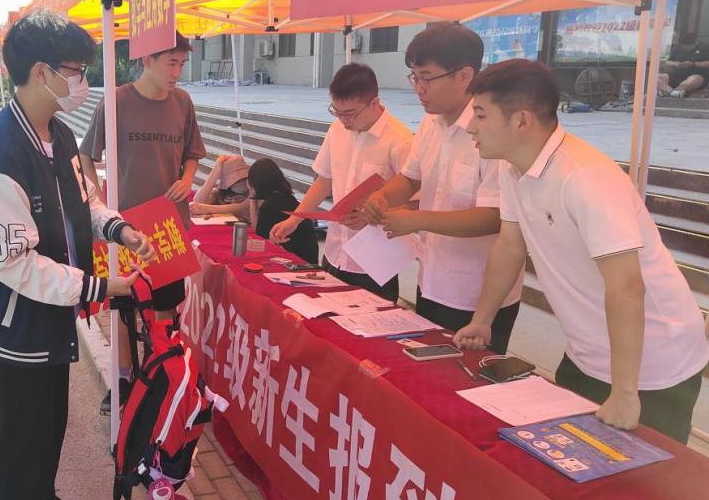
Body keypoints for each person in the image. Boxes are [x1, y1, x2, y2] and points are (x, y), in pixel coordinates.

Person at [0, 10, 156, 500]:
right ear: (41, 72)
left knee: (47, 428)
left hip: (50, 317)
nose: (84, 83)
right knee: (19, 445)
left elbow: (84, 203)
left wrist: (119, 230)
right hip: (12, 327)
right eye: (76, 70)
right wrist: (100, 287)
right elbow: (16, 265)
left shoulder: (60, 136)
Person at [453, 59, 707, 442]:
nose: (470, 126)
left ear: (521, 120)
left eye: (481, 114)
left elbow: (626, 286)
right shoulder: (512, 168)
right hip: (585, 352)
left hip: (651, 365)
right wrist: (482, 319)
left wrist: (625, 392)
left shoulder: (585, 177)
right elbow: (509, 246)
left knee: (638, 476)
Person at [363, 23, 522, 353]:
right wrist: (382, 197)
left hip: (477, 294)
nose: (418, 89)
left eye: (427, 78)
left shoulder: (493, 132)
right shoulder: (430, 123)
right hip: (432, 280)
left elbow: (494, 217)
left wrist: (416, 219)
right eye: (414, 77)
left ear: (464, 75)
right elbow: (410, 178)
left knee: (467, 378)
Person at [80, 31, 206, 415]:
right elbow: (86, 156)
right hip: (123, 225)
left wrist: (187, 179)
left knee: (166, 306)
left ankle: (163, 374)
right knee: (122, 305)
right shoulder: (116, 102)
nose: (177, 72)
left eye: (182, 64)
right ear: (146, 61)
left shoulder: (182, 103)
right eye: (171, 63)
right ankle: (122, 379)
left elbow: (192, 153)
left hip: (168, 224)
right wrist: (99, 203)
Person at [270, 63, 412, 302]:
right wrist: (295, 220)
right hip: (335, 252)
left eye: (351, 114)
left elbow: (413, 201)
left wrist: (371, 216)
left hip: (375, 262)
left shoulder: (399, 140)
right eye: (336, 112)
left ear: (374, 103)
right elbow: (324, 180)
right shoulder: (337, 130)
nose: (344, 121)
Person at [248, 158, 318, 265]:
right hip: (309, 260)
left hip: (297, 263)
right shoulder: (288, 198)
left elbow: (259, 237)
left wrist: (252, 197)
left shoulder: (269, 206)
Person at [191, 154, 250, 219]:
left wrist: (206, 208)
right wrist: (216, 170)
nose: (240, 181)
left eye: (243, 178)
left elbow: (241, 207)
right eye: (236, 180)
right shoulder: (218, 193)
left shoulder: (254, 191)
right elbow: (198, 202)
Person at [657, 32, 709, 98]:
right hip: (677, 74)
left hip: (697, 74)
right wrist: (676, 64)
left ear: (696, 43)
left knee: (692, 81)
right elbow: (667, 62)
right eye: (684, 46)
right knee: (656, 78)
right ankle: (674, 93)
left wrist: (693, 64)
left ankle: (672, 92)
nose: (686, 48)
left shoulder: (705, 48)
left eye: (689, 46)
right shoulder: (677, 47)